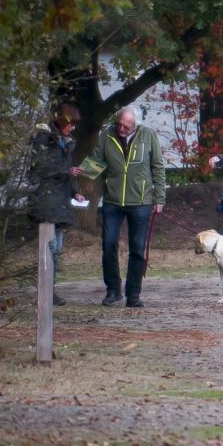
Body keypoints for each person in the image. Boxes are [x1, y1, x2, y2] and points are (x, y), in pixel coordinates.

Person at [72, 105, 166, 307]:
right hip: (113, 201)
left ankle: (133, 295)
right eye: (119, 123)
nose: (121, 128)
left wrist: (159, 199)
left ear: (135, 125)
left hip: (141, 201)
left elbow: (157, 167)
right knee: (108, 245)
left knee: (138, 250)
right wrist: (80, 177)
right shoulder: (107, 134)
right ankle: (113, 290)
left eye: (126, 125)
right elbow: (97, 159)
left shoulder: (148, 136)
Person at [27, 104, 81, 306]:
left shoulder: (65, 142)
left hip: (61, 201)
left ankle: (50, 290)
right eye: (71, 125)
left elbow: (64, 169)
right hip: (47, 202)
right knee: (50, 249)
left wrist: (75, 191)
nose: (73, 129)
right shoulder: (44, 139)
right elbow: (41, 168)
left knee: (56, 250)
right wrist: (66, 173)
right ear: (63, 122)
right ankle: (46, 291)